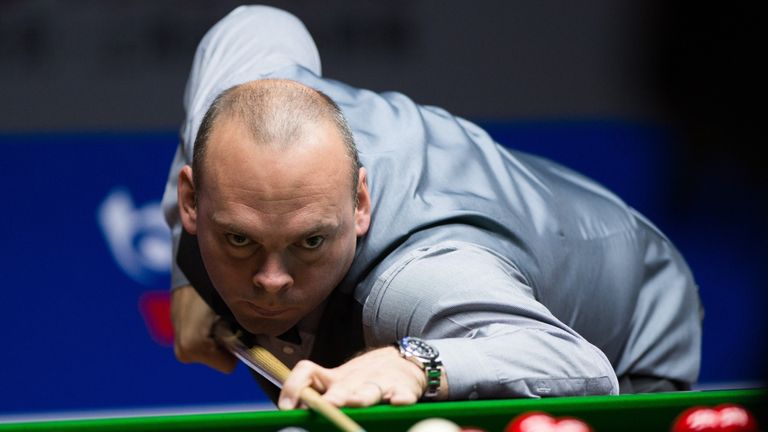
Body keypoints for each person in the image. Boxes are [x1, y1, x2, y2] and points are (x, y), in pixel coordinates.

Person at [161, 5, 702, 410]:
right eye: (240, 240)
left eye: (309, 242)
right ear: (192, 199)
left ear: (360, 204)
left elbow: (581, 366)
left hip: (629, 310)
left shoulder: (416, 283)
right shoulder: (237, 96)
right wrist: (183, 270)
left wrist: (412, 361)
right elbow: (260, 22)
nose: (272, 281)